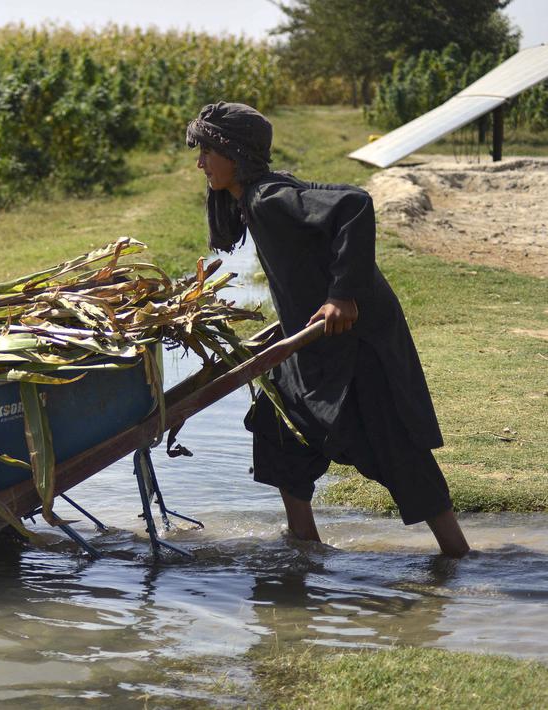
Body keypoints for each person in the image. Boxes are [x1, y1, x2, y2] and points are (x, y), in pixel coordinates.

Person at [185, 101, 469, 558]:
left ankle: (457, 555)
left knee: (395, 446)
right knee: (277, 424)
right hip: (322, 343)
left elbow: (354, 203)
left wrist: (341, 295)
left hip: (360, 342)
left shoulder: (267, 197)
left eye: (207, 153)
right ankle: (304, 544)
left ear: (234, 153)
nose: (200, 164)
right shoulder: (253, 204)